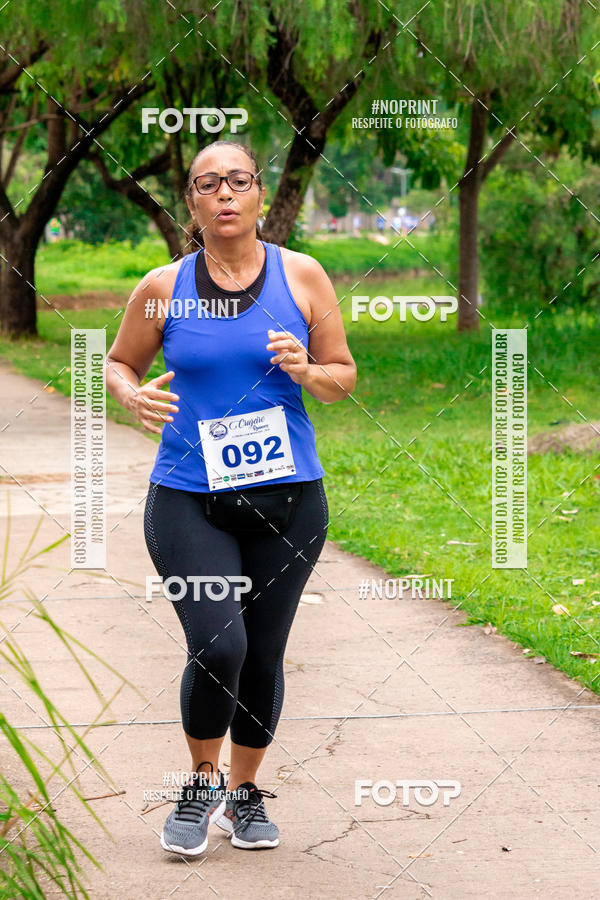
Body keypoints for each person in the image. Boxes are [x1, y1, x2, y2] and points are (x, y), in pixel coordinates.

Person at [104, 140, 356, 857]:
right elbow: (120, 361)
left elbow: (344, 376)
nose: (223, 194)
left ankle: (244, 795)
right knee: (221, 645)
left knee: (265, 655)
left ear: (258, 195)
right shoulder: (162, 284)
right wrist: (130, 393)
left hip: (289, 499)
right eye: (207, 183)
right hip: (188, 495)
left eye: (237, 181)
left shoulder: (303, 275)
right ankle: (201, 784)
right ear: (191, 201)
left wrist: (309, 370)